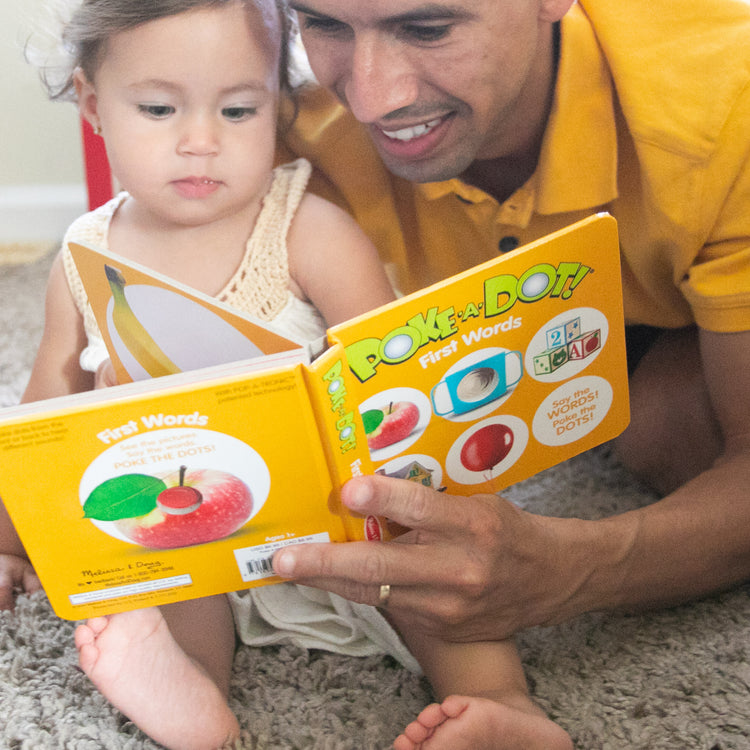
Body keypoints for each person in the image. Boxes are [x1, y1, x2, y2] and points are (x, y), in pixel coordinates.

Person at [0, 1, 575, 749]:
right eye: (158, 108)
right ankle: (193, 698)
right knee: (152, 570)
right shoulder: (85, 256)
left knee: (429, 558)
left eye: (239, 110)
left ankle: (499, 703)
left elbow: (393, 372)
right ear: (92, 105)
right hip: (196, 526)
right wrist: (14, 543)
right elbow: (44, 416)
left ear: (279, 110)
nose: (200, 141)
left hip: (343, 515)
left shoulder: (304, 227)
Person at [263, 0, 750, 742]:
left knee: (677, 438)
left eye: (427, 28)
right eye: (323, 25)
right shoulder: (286, 134)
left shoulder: (727, 101)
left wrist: (576, 568)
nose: (370, 95)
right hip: (648, 322)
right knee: (659, 423)